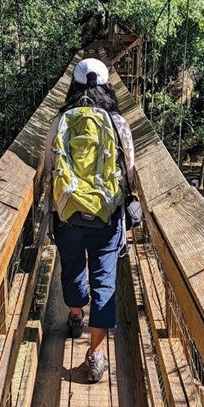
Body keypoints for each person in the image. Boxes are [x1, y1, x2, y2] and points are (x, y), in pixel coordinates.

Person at [43, 57, 135, 383]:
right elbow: (129, 169)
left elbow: (49, 169)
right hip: (107, 216)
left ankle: (74, 313)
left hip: (67, 214)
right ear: (108, 86)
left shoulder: (61, 121)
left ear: (73, 86)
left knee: (71, 268)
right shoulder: (117, 123)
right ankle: (95, 354)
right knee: (104, 281)